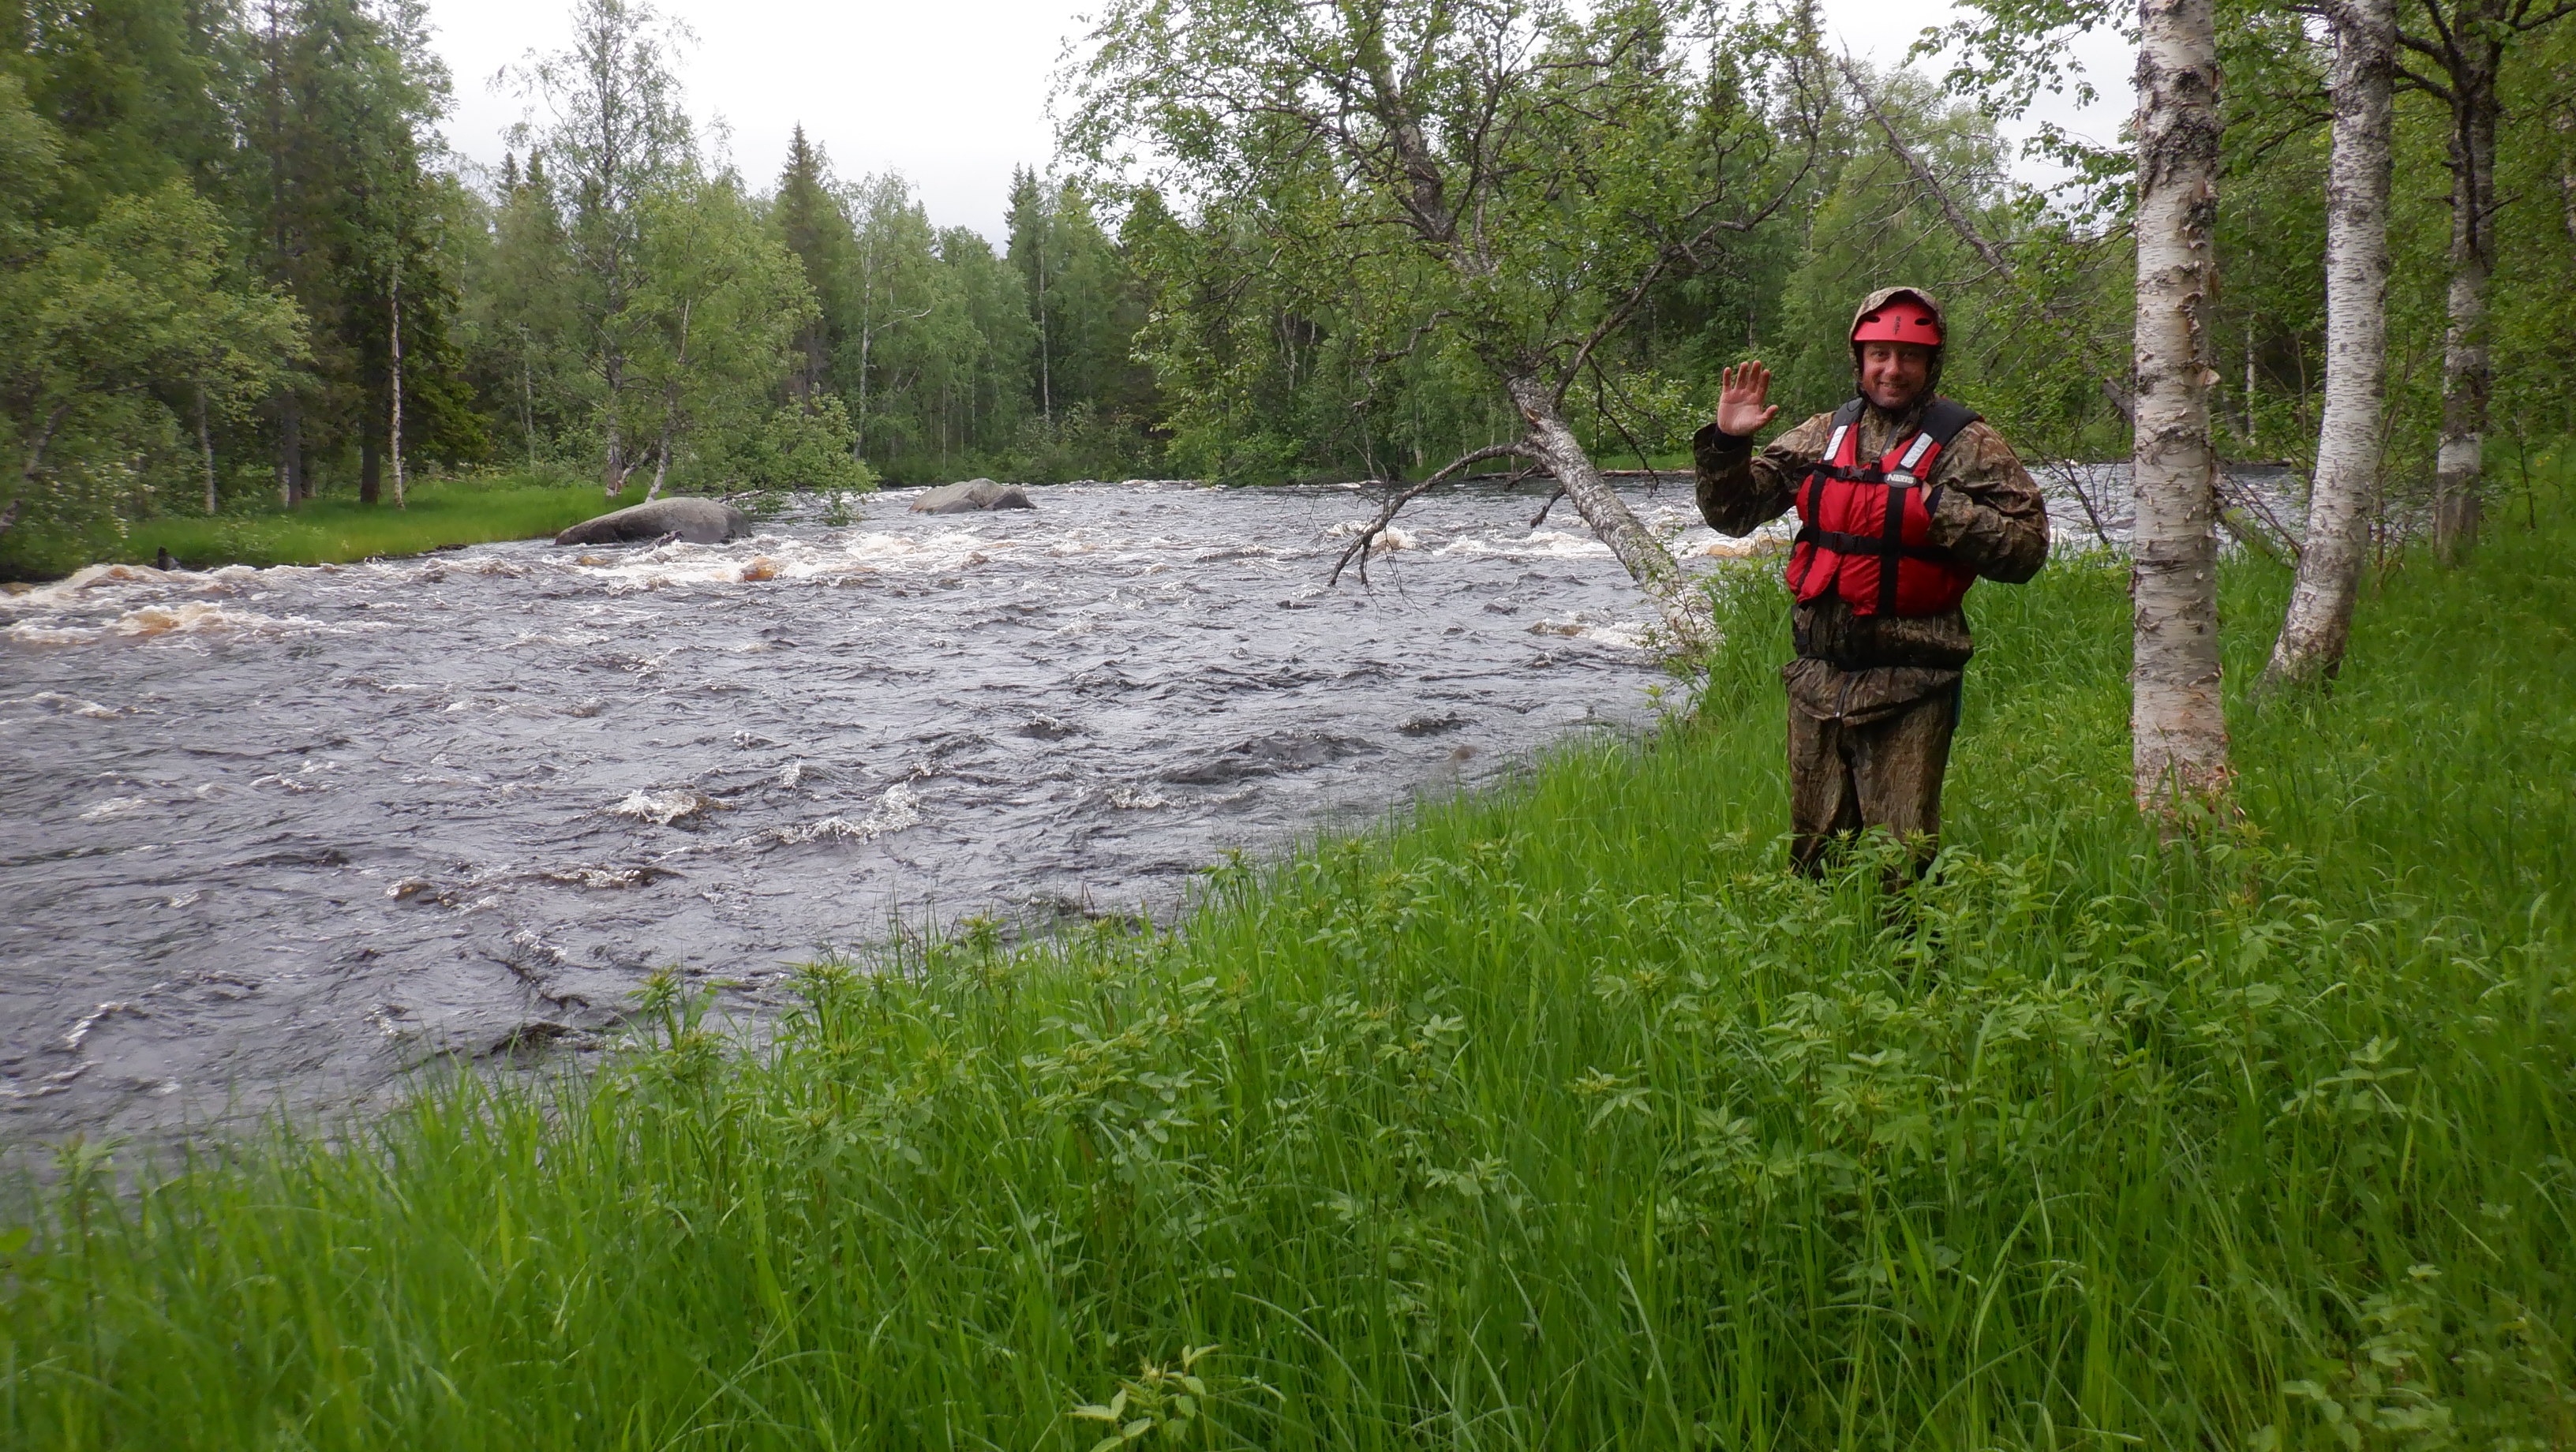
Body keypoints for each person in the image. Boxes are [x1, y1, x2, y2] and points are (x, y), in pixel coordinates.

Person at [1693, 286, 2050, 875]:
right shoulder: (1822, 435)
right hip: (1818, 681)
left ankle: (1909, 964)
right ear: (1859, 359)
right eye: (1880, 353)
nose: (1892, 369)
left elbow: (2027, 550)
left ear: (1931, 364)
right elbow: (1731, 514)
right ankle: (1818, 960)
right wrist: (1729, 443)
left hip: (1913, 683)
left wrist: (1937, 510)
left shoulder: (1968, 444)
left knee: (1900, 867)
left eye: (1909, 356)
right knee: (1812, 860)